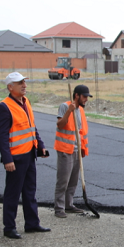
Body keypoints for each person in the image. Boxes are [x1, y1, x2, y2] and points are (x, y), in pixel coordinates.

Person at [0, 72, 51, 239]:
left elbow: (32, 127)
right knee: (12, 193)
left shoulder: (26, 102)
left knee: (29, 191)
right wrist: (7, 159)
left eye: (24, 82)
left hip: (29, 154)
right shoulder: (4, 107)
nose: (24, 85)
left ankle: (32, 223)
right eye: (20, 83)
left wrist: (40, 146)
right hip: (16, 158)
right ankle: (9, 227)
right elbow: (1, 136)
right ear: (10, 87)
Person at [54, 84, 91, 218]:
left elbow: (80, 131)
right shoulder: (65, 106)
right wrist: (69, 111)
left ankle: (68, 205)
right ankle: (59, 208)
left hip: (76, 149)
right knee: (63, 180)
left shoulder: (80, 110)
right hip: (65, 149)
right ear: (77, 95)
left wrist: (82, 148)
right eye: (84, 96)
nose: (86, 99)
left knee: (73, 180)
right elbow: (60, 124)